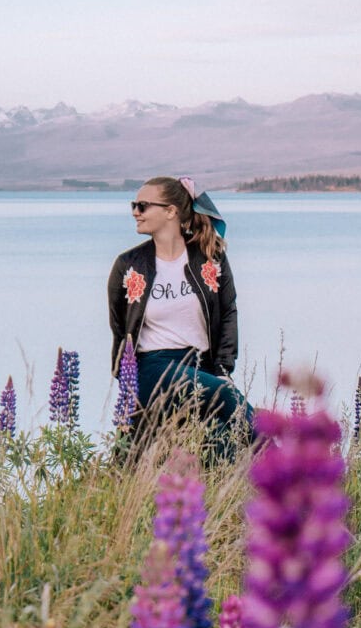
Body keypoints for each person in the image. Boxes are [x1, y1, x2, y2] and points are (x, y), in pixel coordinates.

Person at [107, 175, 254, 455]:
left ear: (171, 212)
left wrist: (223, 370)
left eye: (142, 206)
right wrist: (124, 379)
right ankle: (291, 465)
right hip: (153, 367)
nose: (135, 213)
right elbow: (118, 325)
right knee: (226, 395)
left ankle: (227, 494)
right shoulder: (128, 265)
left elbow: (228, 315)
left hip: (202, 365)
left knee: (220, 439)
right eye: (133, 205)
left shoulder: (211, 257)